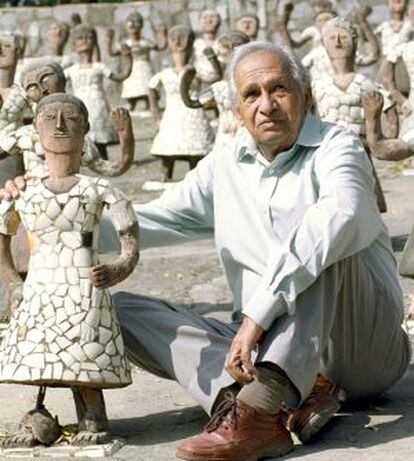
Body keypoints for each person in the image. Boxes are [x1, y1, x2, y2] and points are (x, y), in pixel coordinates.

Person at [2, 42, 411, 461]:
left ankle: (258, 408)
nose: (266, 105)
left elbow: (341, 215)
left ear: (305, 96)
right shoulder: (226, 162)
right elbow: (156, 218)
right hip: (264, 343)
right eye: (252, 95)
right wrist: (45, 219)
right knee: (117, 310)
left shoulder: (337, 146)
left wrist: (256, 316)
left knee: (318, 239)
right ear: (237, 109)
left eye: (279, 90)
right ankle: (266, 397)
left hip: (359, 350)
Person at [0, 93, 139, 448]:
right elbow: (1, 234)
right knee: (39, 354)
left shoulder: (99, 189)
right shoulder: (24, 191)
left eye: (70, 118)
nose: (59, 126)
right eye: (49, 118)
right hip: (42, 283)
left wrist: (119, 268)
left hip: (84, 281)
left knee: (86, 350)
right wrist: (13, 282)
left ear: (86, 129)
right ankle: (37, 416)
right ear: (36, 129)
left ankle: (92, 417)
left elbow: (130, 242)